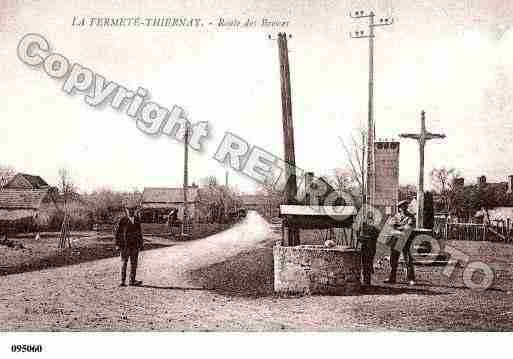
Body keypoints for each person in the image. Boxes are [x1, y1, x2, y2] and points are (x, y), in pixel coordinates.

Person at [385, 200, 416, 285]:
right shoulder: (396, 216)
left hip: (407, 241)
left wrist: (397, 227)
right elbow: (390, 228)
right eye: (402, 207)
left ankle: (410, 279)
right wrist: (399, 228)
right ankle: (392, 278)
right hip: (396, 241)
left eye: (405, 206)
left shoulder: (411, 217)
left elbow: (408, 229)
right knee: (393, 260)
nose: (404, 208)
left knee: (408, 260)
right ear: (399, 208)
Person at [114, 204, 144, 287]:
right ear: (126, 211)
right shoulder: (122, 220)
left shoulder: (137, 220)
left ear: (134, 211)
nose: (131, 211)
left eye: (133, 210)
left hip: (134, 246)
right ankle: (122, 281)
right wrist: (117, 244)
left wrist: (141, 244)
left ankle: (132, 280)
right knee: (124, 263)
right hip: (125, 246)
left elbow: (139, 233)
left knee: (134, 263)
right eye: (129, 210)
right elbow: (117, 233)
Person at [359, 211, 381, 289]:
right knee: (365, 264)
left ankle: (367, 282)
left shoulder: (374, 226)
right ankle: (366, 282)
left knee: (367, 264)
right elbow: (359, 235)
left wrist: (364, 238)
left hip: (370, 246)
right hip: (365, 246)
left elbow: (376, 235)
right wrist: (361, 238)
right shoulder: (363, 225)